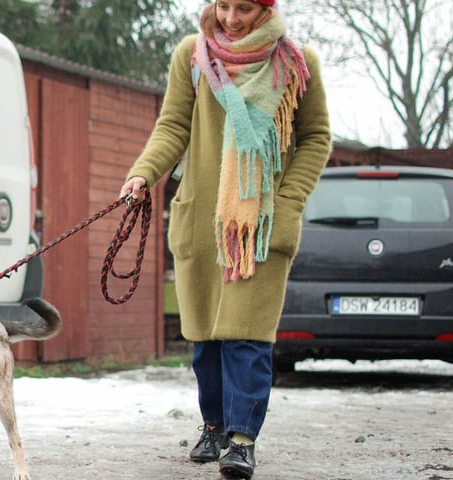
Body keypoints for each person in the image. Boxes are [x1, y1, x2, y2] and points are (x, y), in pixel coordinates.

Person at [119, 0, 331, 478]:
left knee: (247, 336)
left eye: (245, 9)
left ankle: (241, 439)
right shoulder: (193, 56)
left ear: (267, 8)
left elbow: (316, 138)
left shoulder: (297, 63)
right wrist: (144, 174)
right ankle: (213, 426)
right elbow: (172, 125)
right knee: (205, 338)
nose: (231, 19)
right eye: (223, 6)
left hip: (260, 225)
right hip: (202, 218)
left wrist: (290, 201)